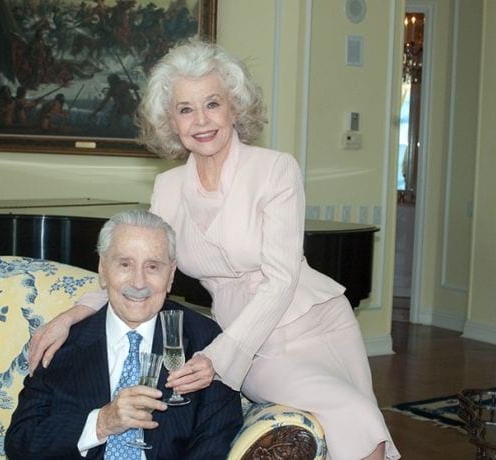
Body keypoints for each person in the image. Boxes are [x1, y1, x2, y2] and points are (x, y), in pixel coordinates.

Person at [28, 39, 400, 460]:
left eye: (212, 104)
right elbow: (143, 271)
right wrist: (73, 314)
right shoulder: (168, 187)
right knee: (352, 414)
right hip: (248, 340)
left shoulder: (275, 169)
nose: (201, 121)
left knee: (361, 424)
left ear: (234, 107)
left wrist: (218, 357)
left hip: (312, 322)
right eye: (186, 109)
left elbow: (282, 279)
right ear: (170, 121)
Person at [5, 210, 243, 459]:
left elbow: (213, 444)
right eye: (125, 265)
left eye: (153, 267)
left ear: (171, 275)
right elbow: (20, 443)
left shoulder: (205, 341)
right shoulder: (62, 345)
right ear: (103, 269)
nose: (139, 283)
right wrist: (101, 423)